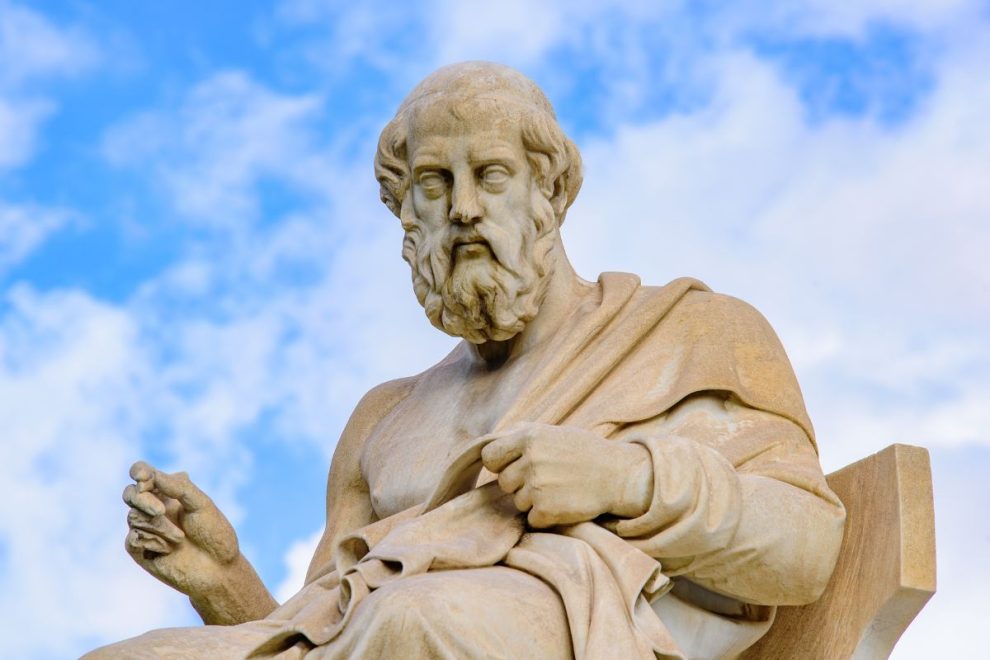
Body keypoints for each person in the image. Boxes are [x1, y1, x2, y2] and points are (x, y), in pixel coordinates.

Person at [88, 62, 845, 659]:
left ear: (548, 192)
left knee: (413, 622)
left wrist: (624, 479)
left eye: (489, 174)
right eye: (432, 183)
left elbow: (806, 548)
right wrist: (222, 581)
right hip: (398, 633)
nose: (462, 210)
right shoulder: (385, 418)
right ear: (404, 213)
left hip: (552, 624)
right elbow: (316, 635)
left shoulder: (688, 334)